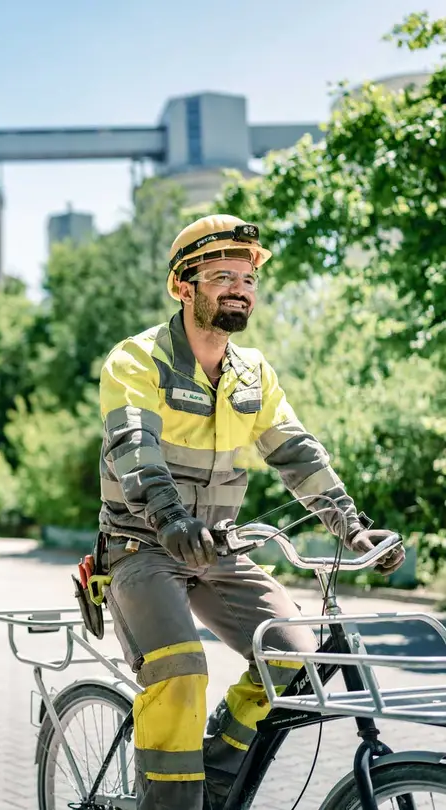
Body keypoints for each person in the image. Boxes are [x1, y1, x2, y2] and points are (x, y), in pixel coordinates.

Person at [95, 214, 405, 810]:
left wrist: (352, 526)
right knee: (181, 670)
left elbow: (296, 453)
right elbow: (133, 447)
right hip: (144, 546)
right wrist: (169, 518)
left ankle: (214, 774)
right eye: (221, 276)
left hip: (218, 548)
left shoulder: (252, 372)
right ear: (185, 288)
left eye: (247, 277)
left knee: (293, 657)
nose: (239, 287)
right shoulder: (138, 360)